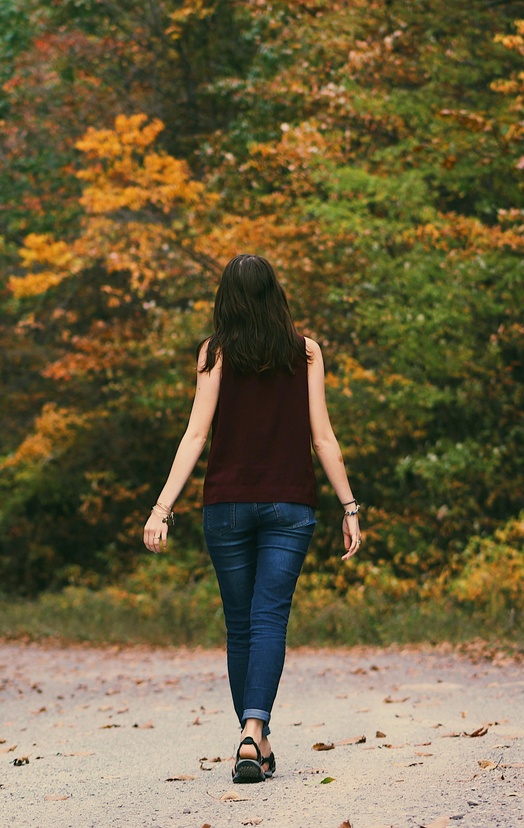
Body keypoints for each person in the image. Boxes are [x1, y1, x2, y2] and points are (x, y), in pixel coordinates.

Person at [143, 253, 362, 783]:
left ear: (227, 299)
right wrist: (349, 506)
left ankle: (250, 735)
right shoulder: (305, 353)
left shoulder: (214, 353)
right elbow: (323, 437)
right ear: (275, 294)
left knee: (240, 624)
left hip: (227, 506)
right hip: (292, 505)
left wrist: (161, 507)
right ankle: (255, 731)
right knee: (269, 619)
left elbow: (195, 435)